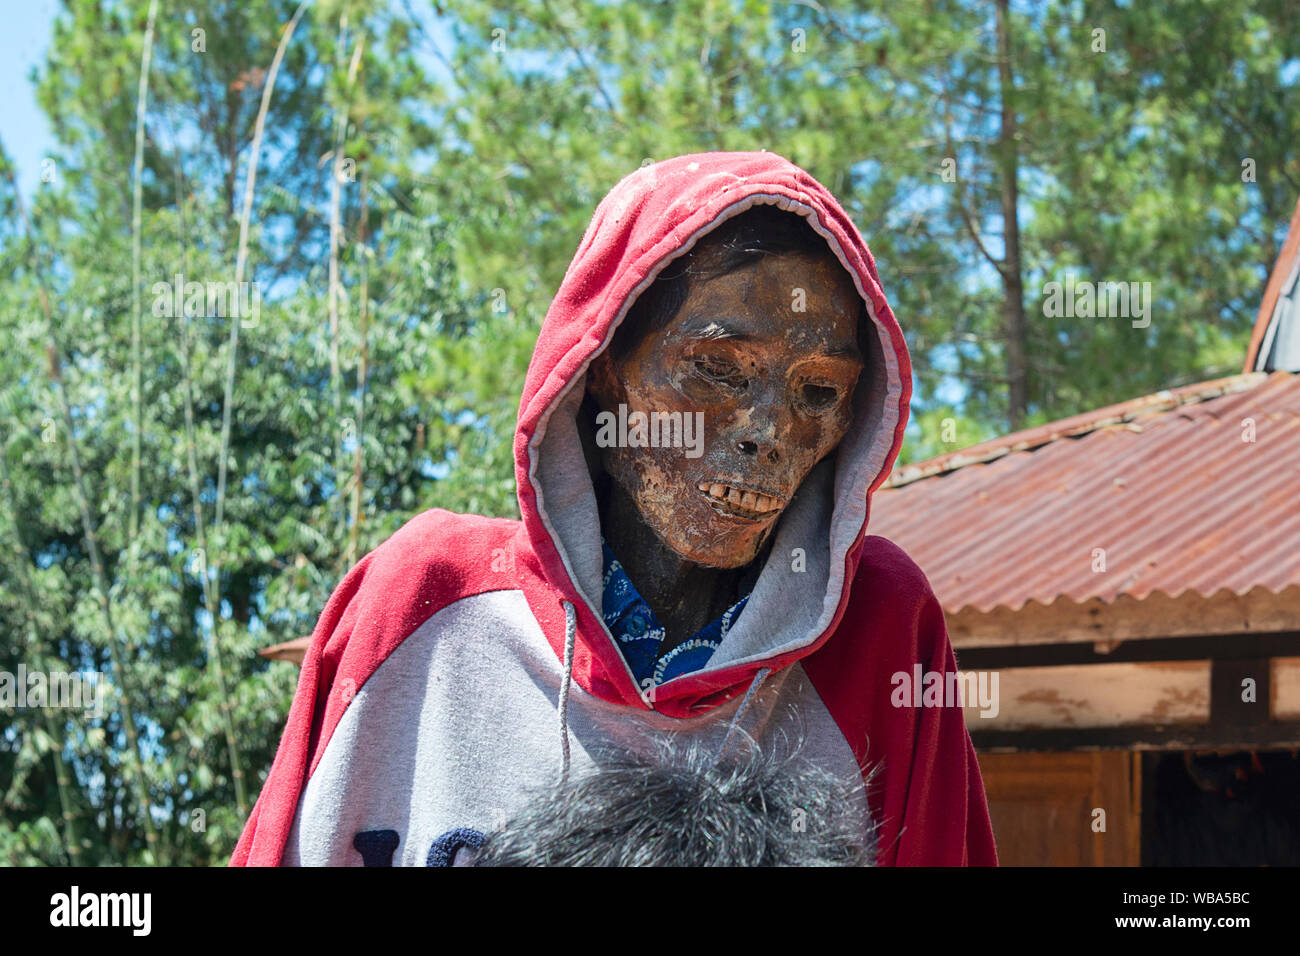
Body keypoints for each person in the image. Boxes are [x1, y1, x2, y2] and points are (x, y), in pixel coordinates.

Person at [230, 150, 998, 867]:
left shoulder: (883, 627)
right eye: (718, 370)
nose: (768, 432)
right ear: (601, 367)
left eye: (819, 391)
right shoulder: (425, 600)